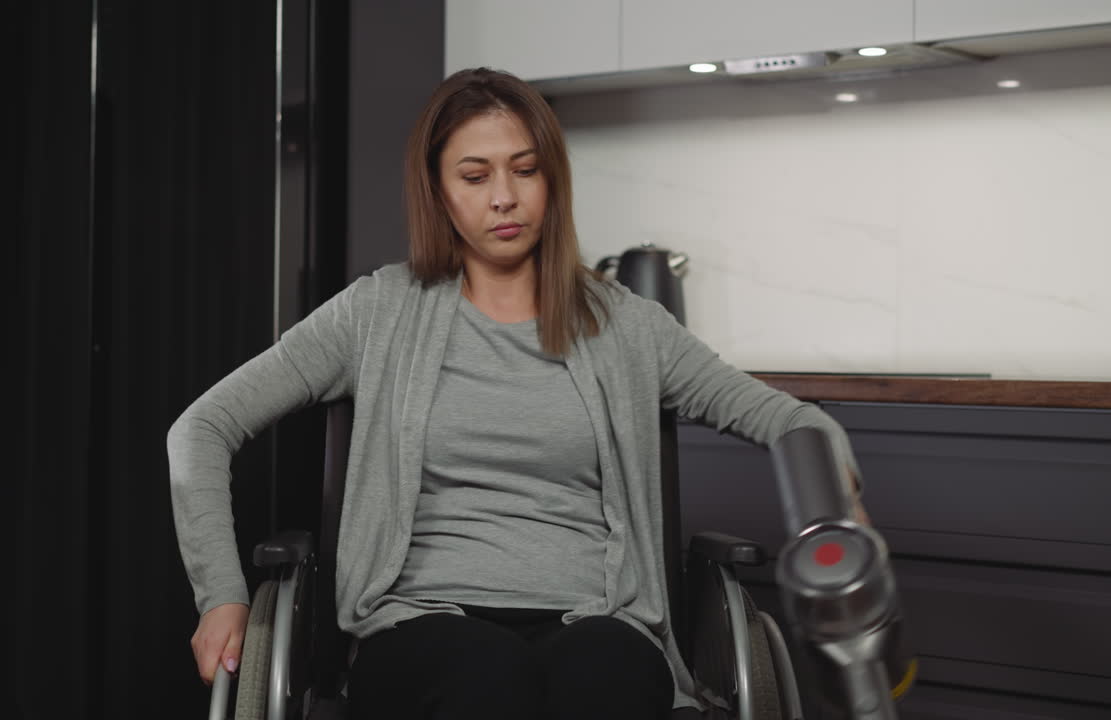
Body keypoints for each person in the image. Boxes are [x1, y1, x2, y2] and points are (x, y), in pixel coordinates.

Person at [169, 67, 867, 719]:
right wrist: (221, 596)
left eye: (525, 170)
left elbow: (792, 422)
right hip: (419, 619)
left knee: (615, 676)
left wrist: (843, 513)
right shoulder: (374, 313)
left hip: (596, 617)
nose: (504, 196)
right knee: (485, 677)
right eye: (475, 176)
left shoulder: (627, 325)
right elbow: (202, 428)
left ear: (551, 182)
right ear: (439, 191)